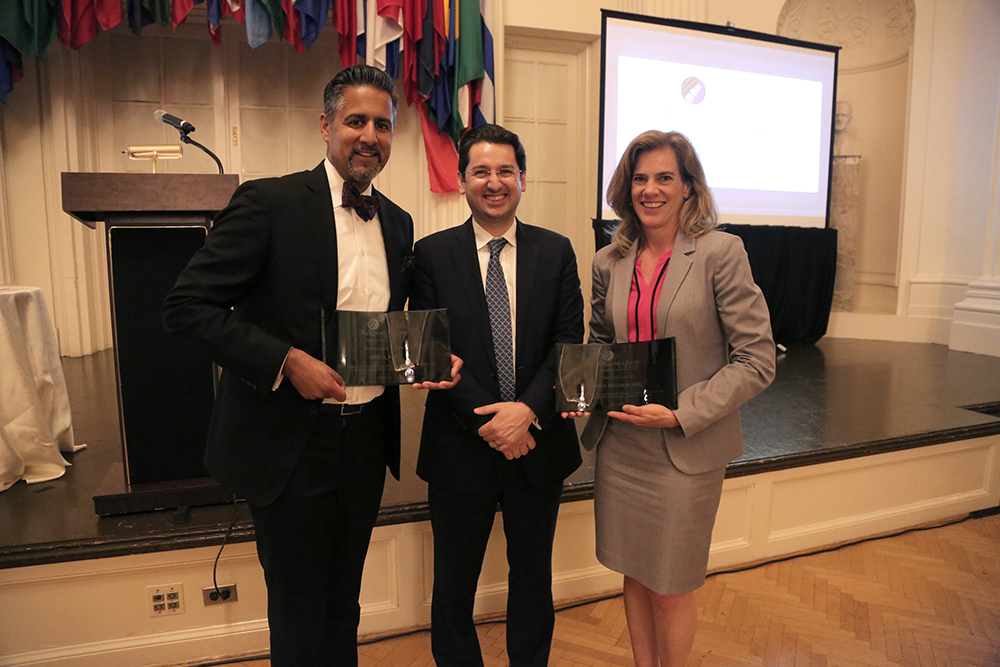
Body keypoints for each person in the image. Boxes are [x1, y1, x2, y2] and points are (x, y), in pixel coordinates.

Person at [162, 64, 458, 667]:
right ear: (326, 126)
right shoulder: (270, 202)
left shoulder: (399, 223)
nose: (369, 136)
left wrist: (425, 357)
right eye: (356, 121)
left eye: (382, 124)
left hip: (367, 439)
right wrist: (284, 360)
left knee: (344, 598)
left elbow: (385, 323)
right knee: (298, 608)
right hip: (290, 441)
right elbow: (185, 306)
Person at [568, 130, 775, 666]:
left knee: (671, 586)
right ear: (626, 186)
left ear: (688, 187)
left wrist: (681, 413)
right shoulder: (608, 261)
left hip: (684, 447)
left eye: (665, 178)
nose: (651, 189)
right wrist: (581, 388)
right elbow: (603, 344)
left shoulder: (720, 252)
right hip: (623, 443)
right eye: (641, 178)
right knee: (634, 574)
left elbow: (757, 360)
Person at [410, 123, 585, 667]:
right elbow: (432, 352)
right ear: (461, 181)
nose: (494, 182)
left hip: (539, 444)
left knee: (533, 580)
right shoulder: (432, 254)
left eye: (505, 171)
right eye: (480, 171)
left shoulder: (556, 252)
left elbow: (568, 343)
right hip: (461, 447)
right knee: (453, 587)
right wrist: (494, 422)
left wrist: (527, 412)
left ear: (523, 180)